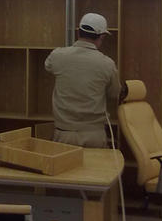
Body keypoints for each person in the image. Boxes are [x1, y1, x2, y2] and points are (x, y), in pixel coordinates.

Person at [44, 12, 121, 148]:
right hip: (95, 136)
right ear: (102, 36)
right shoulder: (107, 64)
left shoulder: (57, 55)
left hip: (64, 135)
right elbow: (115, 93)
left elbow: (48, 67)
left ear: (78, 32)